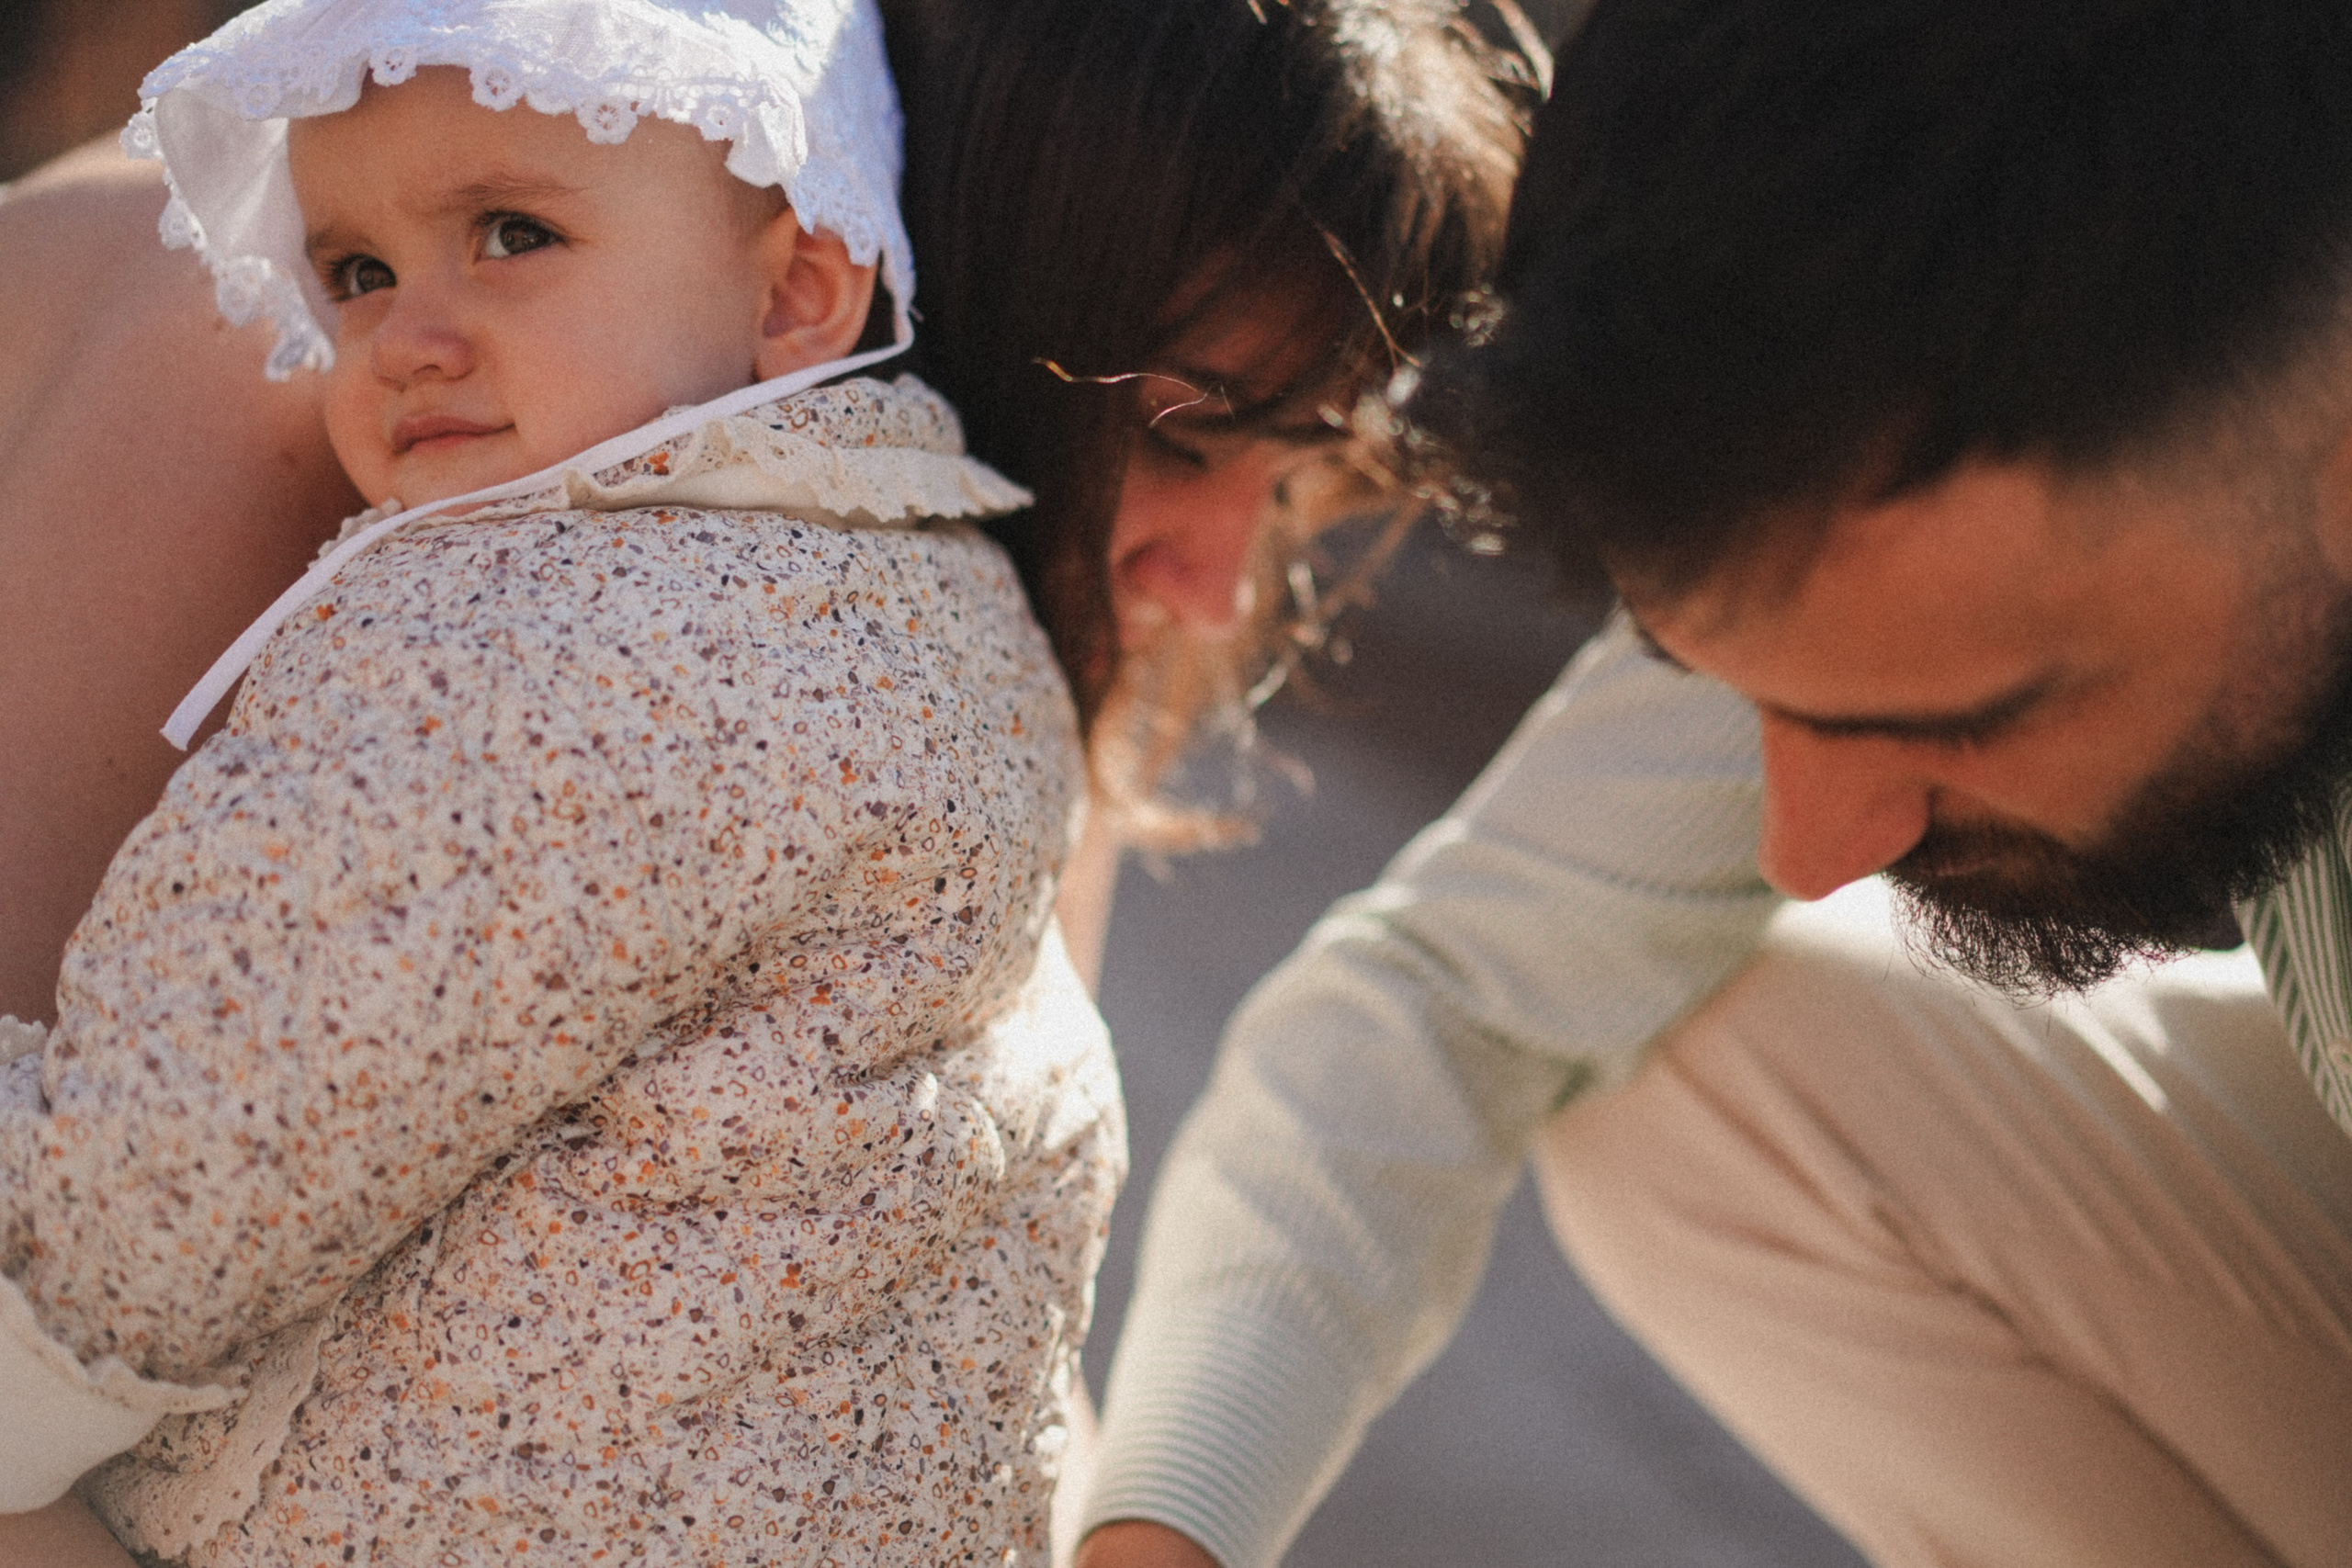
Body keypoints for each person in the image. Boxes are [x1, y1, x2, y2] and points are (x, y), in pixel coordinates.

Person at [0, 0, 1533, 1560]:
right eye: (1191, 437)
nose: (1215, 591)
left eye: (1304, 483)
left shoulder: (891, 581)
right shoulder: (318, 392)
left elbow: (973, 1255)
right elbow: (102, 1232)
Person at [1078, 4, 2352, 1567]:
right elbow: (1448, 1006)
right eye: (1735, 692)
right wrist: (1160, 1537)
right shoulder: (1915, 485)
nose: (1803, 848)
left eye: (1939, 722)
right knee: (1718, 1071)